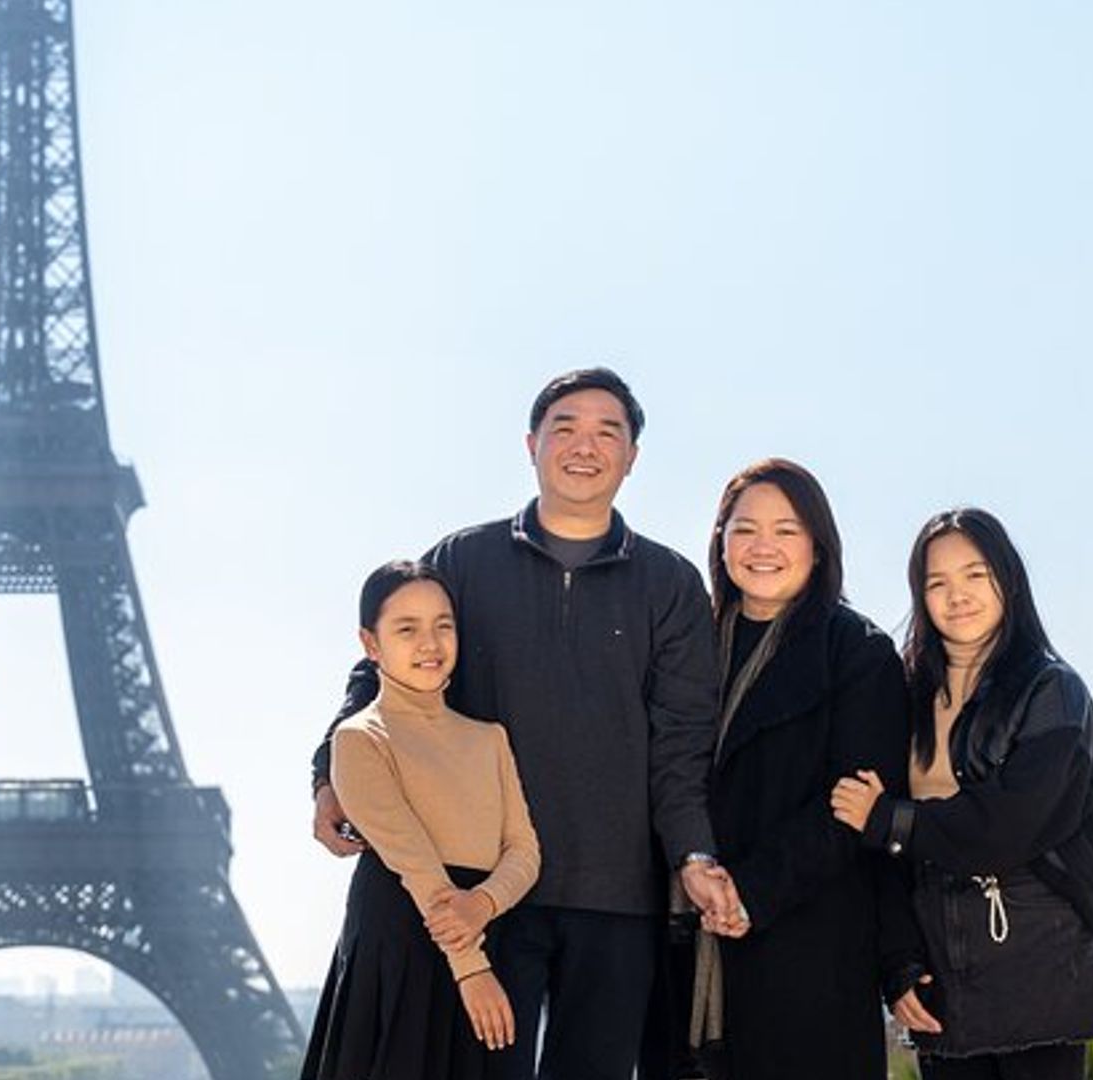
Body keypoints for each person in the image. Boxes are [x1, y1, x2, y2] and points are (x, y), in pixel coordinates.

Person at [310, 368, 739, 1080]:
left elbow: (683, 742)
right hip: (481, 891)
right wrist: (328, 773)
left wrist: (693, 854)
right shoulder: (463, 561)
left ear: (632, 456)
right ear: (532, 444)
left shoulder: (670, 584)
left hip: (617, 894)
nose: (584, 446)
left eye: (608, 432)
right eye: (565, 427)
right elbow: (379, 669)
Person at [830, 508, 1093, 1080]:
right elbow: (883, 858)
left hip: (1042, 973)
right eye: (936, 582)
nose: (957, 595)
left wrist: (893, 820)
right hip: (943, 983)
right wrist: (899, 964)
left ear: (1007, 580)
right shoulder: (905, 696)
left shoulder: (1053, 692)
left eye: (975, 574)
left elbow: (1010, 826)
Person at [683, 458, 912, 1079]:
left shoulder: (857, 651)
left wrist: (748, 891)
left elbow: (853, 807)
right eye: (744, 529)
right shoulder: (688, 644)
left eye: (786, 530)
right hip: (687, 931)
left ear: (818, 544)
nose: (764, 547)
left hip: (808, 941)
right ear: (721, 542)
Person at [302, 560, 540, 1080]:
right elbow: (416, 866)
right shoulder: (359, 739)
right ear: (370, 644)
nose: (430, 643)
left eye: (443, 625)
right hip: (403, 939)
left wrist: (482, 904)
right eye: (406, 629)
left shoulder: (490, 739)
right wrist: (471, 968)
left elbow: (524, 851)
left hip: (485, 929)